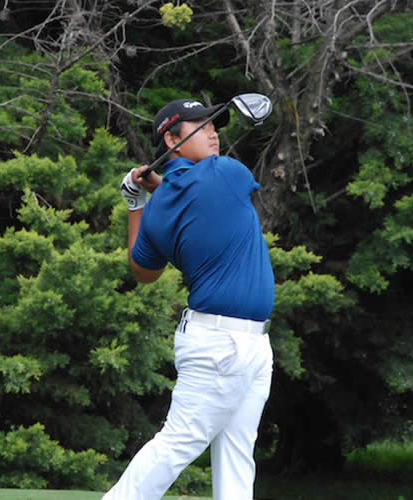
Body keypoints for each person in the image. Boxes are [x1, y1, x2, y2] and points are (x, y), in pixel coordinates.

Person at [103, 98, 275, 500]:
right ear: (171, 139)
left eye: (214, 124)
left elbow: (143, 271)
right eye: (201, 126)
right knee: (179, 441)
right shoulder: (228, 173)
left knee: (236, 453)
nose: (214, 132)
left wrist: (136, 202)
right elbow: (200, 193)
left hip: (246, 344)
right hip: (222, 345)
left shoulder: (158, 208)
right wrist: (157, 189)